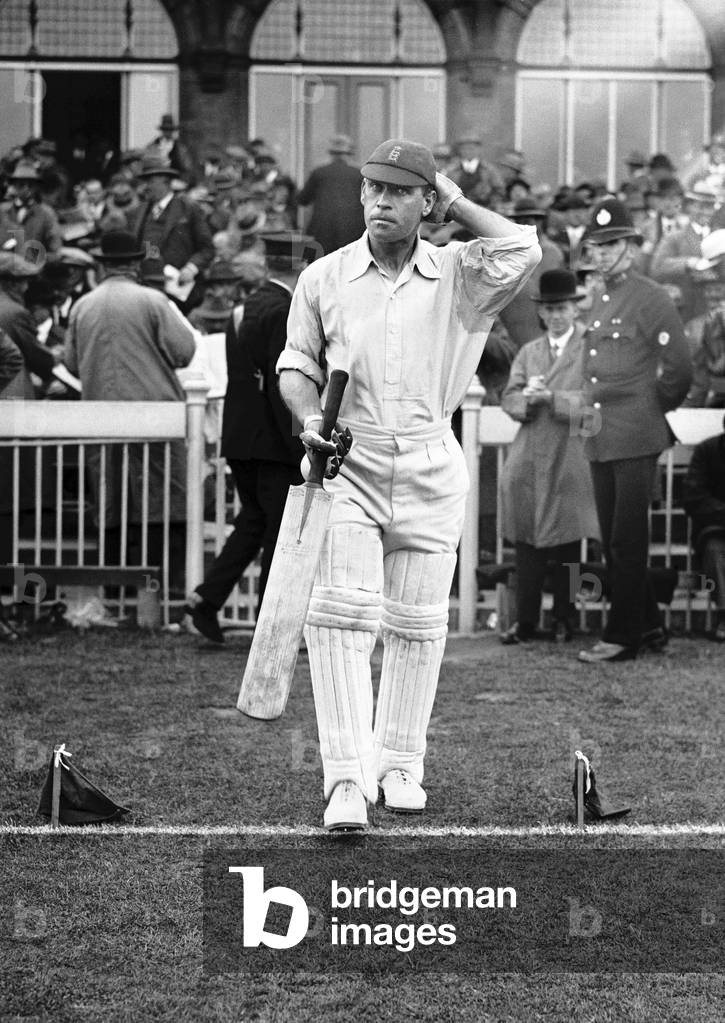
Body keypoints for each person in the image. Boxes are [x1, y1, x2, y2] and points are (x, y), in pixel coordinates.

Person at [276, 138, 541, 831]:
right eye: (372, 189)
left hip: (429, 455)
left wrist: (456, 201)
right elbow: (295, 364)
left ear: (427, 203)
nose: (380, 202)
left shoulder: (460, 271)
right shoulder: (324, 277)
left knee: (418, 625)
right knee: (338, 618)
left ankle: (398, 765)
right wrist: (308, 418)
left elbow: (523, 250)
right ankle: (342, 777)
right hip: (347, 457)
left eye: (399, 192)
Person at [187, 233, 319, 643]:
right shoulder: (284, 310)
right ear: (302, 268)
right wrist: (301, 445)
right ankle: (270, 628)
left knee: (253, 521)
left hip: (242, 437)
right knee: (278, 535)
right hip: (274, 444)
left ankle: (206, 601)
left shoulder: (244, 309)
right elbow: (284, 384)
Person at [577, 199, 692, 663]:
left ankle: (622, 635)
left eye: (612, 245)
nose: (602, 255)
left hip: (637, 433)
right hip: (602, 433)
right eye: (597, 247)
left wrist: (650, 408)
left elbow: (679, 369)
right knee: (613, 538)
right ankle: (649, 625)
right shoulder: (602, 298)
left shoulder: (651, 296)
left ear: (631, 247)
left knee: (626, 539)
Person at [65, 229, 196, 592]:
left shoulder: (82, 306)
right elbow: (185, 351)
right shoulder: (152, 301)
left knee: (110, 498)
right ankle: (163, 591)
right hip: (156, 416)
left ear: (103, 265)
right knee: (164, 499)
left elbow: (71, 363)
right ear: (136, 264)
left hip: (100, 417)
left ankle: (115, 590)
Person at [499, 269, 600, 645]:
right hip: (529, 458)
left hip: (569, 457)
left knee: (569, 544)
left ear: (575, 309)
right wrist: (525, 400)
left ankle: (564, 619)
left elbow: (595, 408)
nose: (557, 316)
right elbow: (508, 398)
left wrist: (553, 400)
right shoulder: (530, 352)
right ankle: (525, 621)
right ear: (541, 314)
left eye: (564, 308)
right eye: (551, 310)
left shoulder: (590, 350)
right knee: (526, 543)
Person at [125, 155, 214, 312]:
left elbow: (207, 249)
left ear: (165, 181)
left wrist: (191, 268)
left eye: (150, 181)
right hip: (147, 288)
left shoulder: (188, 208)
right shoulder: (138, 212)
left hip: (178, 291)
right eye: (145, 181)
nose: (146, 187)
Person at [681, 413, 725, 641]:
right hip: (715, 527)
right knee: (715, 550)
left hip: (715, 520)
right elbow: (693, 497)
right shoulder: (707, 451)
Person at [296, 134, 365, 255]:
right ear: (350, 154)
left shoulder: (319, 172)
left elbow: (302, 199)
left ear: (331, 153)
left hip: (322, 232)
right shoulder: (359, 174)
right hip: (353, 232)